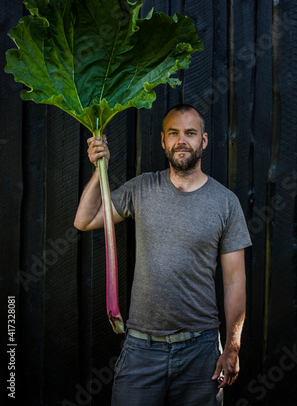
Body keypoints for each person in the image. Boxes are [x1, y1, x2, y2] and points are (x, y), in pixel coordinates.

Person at [74, 104, 252, 406]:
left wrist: (232, 347)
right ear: (163, 141)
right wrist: (98, 169)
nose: (182, 140)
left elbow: (235, 281)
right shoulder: (142, 189)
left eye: (190, 133)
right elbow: (85, 220)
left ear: (204, 141)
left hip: (202, 351)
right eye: (174, 133)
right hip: (142, 350)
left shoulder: (226, 203)